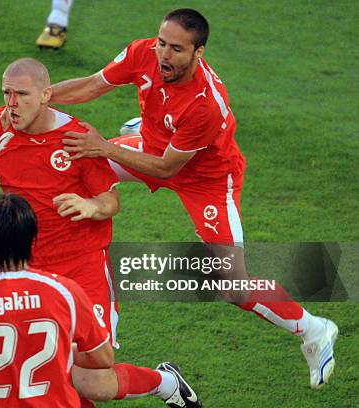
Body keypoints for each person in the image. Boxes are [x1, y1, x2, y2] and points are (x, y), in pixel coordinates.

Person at [49, 8, 338, 389]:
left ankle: (315, 330)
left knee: (232, 285)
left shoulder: (206, 103)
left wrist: (103, 147)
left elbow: (166, 169)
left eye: (176, 50)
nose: (164, 55)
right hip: (156, 148)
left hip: (206, 179)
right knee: (72, 171)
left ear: (198, 53)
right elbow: (93, 85)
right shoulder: (143, 53)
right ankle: (97, 299)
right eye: (161, 44)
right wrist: (42, 96)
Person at [0, 58, 202, 407]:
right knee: (50, 372)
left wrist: (91, 206)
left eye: (21, 94)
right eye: (6, 93)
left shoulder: (76, 137)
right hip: (24, 272)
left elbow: (110, 201)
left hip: (81, 269)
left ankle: (165, 383)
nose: (11, 103)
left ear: (47, 95)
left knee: (91, 381)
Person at [0, 193, 202, 407]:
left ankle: (165, 382)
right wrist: (59, 351)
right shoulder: (65, 292)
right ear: (33, 239)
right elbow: (103, 358)